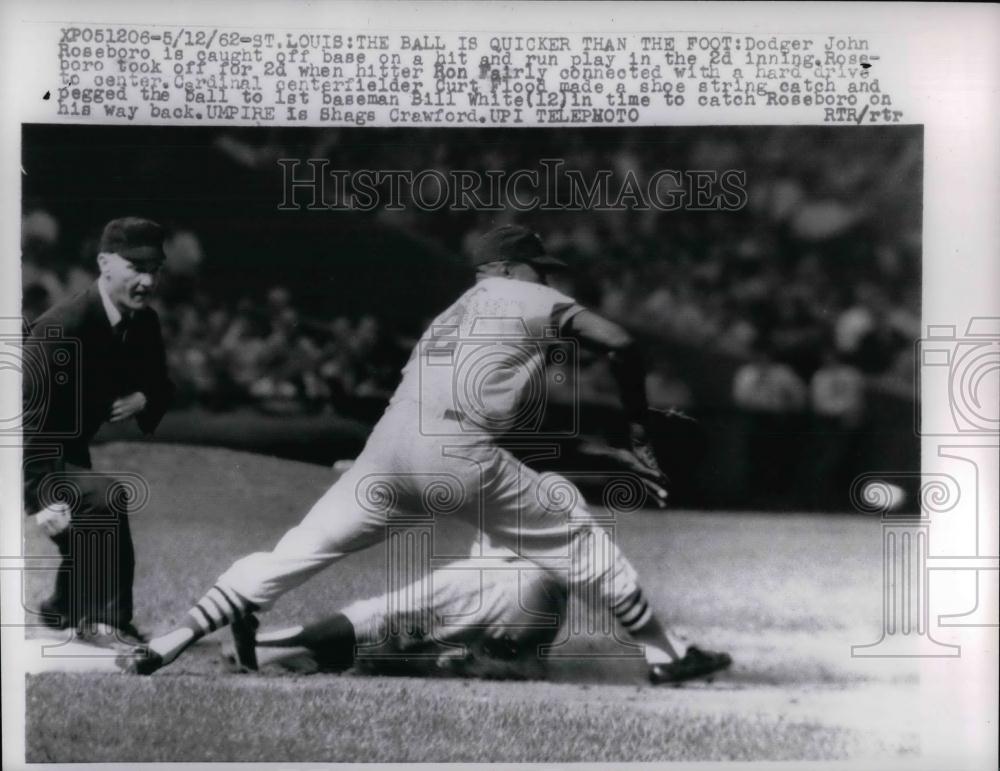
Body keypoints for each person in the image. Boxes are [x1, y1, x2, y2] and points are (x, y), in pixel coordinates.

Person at [121, 225, 731, 684]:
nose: (545, 277)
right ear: (506, 268)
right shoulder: (527, 298)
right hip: (456, 455)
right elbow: (620, 342)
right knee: (577, 536)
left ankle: (178, 633)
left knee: (290, 556)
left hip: (385, 455)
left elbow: (488, 412)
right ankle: (667, 653)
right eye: (537, 267)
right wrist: (636, 425)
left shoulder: (446, 319)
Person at [23, 217, 175, 645]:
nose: (146, 281)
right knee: (104, 499)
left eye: (154, 270)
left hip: (67, 452)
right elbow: (25, 420)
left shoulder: (143, 324)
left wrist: (144, 398)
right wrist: (38, 496)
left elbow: (163, 384)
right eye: (135, 268)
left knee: (93, 507)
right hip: (28, 454)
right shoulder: (61, 328)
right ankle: (107, 623)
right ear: (105, 263)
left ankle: (63, 610)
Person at [223, 537, 567, 681]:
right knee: (409, 650)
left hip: (503, 576)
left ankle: (260, 648)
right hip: (541, 616)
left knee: (385, 617)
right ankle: (276, 649)